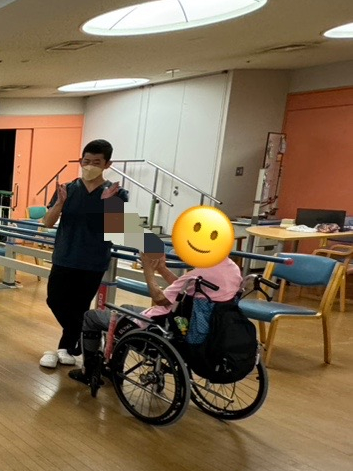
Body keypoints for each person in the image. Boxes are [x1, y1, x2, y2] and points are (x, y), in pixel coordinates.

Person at [68, 250, 243, 384]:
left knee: (91, 317)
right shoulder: (231, 268)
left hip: (164, 325)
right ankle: (115, 367)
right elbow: (186, 287)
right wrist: (162, 268)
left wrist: (148, 269)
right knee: (126, 308)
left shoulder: (200, 273)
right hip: (204, 325)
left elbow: (159, 299)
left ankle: (88, 372)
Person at [39, 139, 124, 369]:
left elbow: (117, 230)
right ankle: (82, 339)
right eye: (86, 161)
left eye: (96, 162)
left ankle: (66, 348)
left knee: (79, 307)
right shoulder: (68, 189)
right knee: (54, 300)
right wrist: (60, 204)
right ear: (80, 161)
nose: (90, 166)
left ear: (107, 164)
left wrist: (109, 204)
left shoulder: (116, 193)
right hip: (65, 256)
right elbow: (47, 222)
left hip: (93, 261)